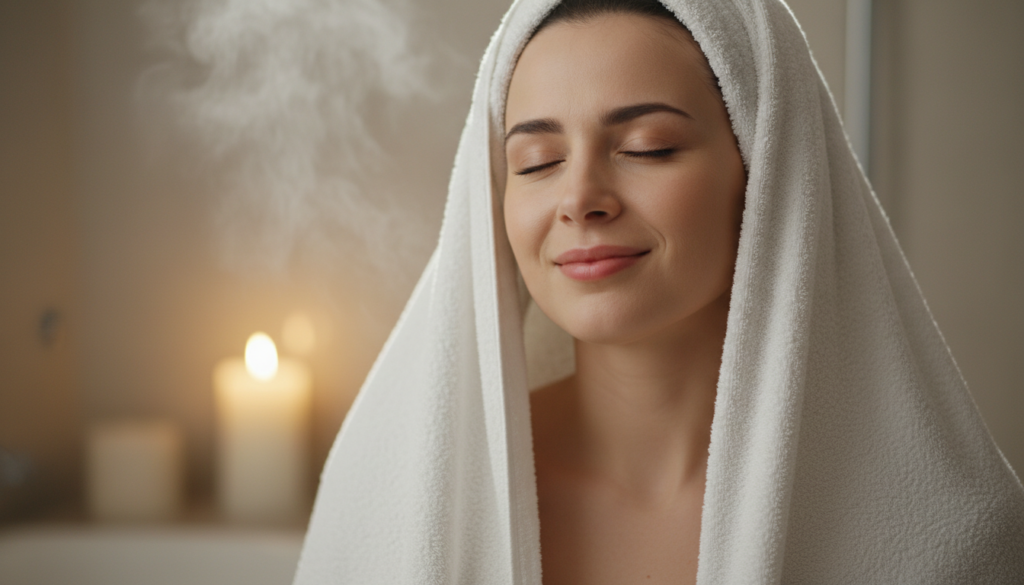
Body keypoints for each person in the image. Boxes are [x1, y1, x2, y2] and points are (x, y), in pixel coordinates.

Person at [295, 1, 1024, 583]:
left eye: (648, 147)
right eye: (537, 161)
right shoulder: (396, 500)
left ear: (766, 174)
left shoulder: (948, 533)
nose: (580, 198)